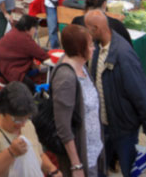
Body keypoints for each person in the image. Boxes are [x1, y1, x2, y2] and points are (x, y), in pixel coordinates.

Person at [85, 10, 146, 177]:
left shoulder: (123, 55)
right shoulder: (97, 48)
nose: (86, 32)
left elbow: (142, 93)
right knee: (99, 169)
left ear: (96, 29)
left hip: (124, 128)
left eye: (87, 28)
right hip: (104, 126)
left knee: (130, 170)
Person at [51, 24, 105, 177]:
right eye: (90, 45)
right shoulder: (66, 79)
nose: (94, 48)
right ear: (80, 49)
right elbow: (63, 126)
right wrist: (76, 165)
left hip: (93, 149)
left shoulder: (82, 66)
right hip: (82, 154)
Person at [0, 81, 59, 177]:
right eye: (17, 120)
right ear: (4, 112)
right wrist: (11, 152)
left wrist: (52, 170)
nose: (22, 124)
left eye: (26, 118)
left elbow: (39, 154)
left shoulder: (28, 124)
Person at [0, 15, 49, 88]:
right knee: (25, 82)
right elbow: (43, 56)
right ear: (27, 28)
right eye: (34, 28)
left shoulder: (14, 30)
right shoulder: (25, 39)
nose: (35, 30)